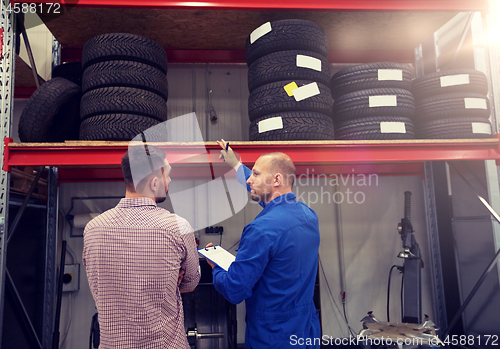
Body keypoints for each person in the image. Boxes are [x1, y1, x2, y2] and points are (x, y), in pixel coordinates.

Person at [83, 144, 200, 349]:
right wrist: (171, 279)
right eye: (168, 175)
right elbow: (190, 283)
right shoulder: (178, 227)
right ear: (154, 183)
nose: (170, 181)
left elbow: (99, 286)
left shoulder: (93, 229)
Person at [206, 139, 321, 348]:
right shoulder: (309, 216)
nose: (250, 180)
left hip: (273, 336)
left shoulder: (260, 230)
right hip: (306, 330)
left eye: (256, 174)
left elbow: (234, 290)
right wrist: (237, 166)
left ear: (276, 179)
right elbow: (273, 205)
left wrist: (216, 268)